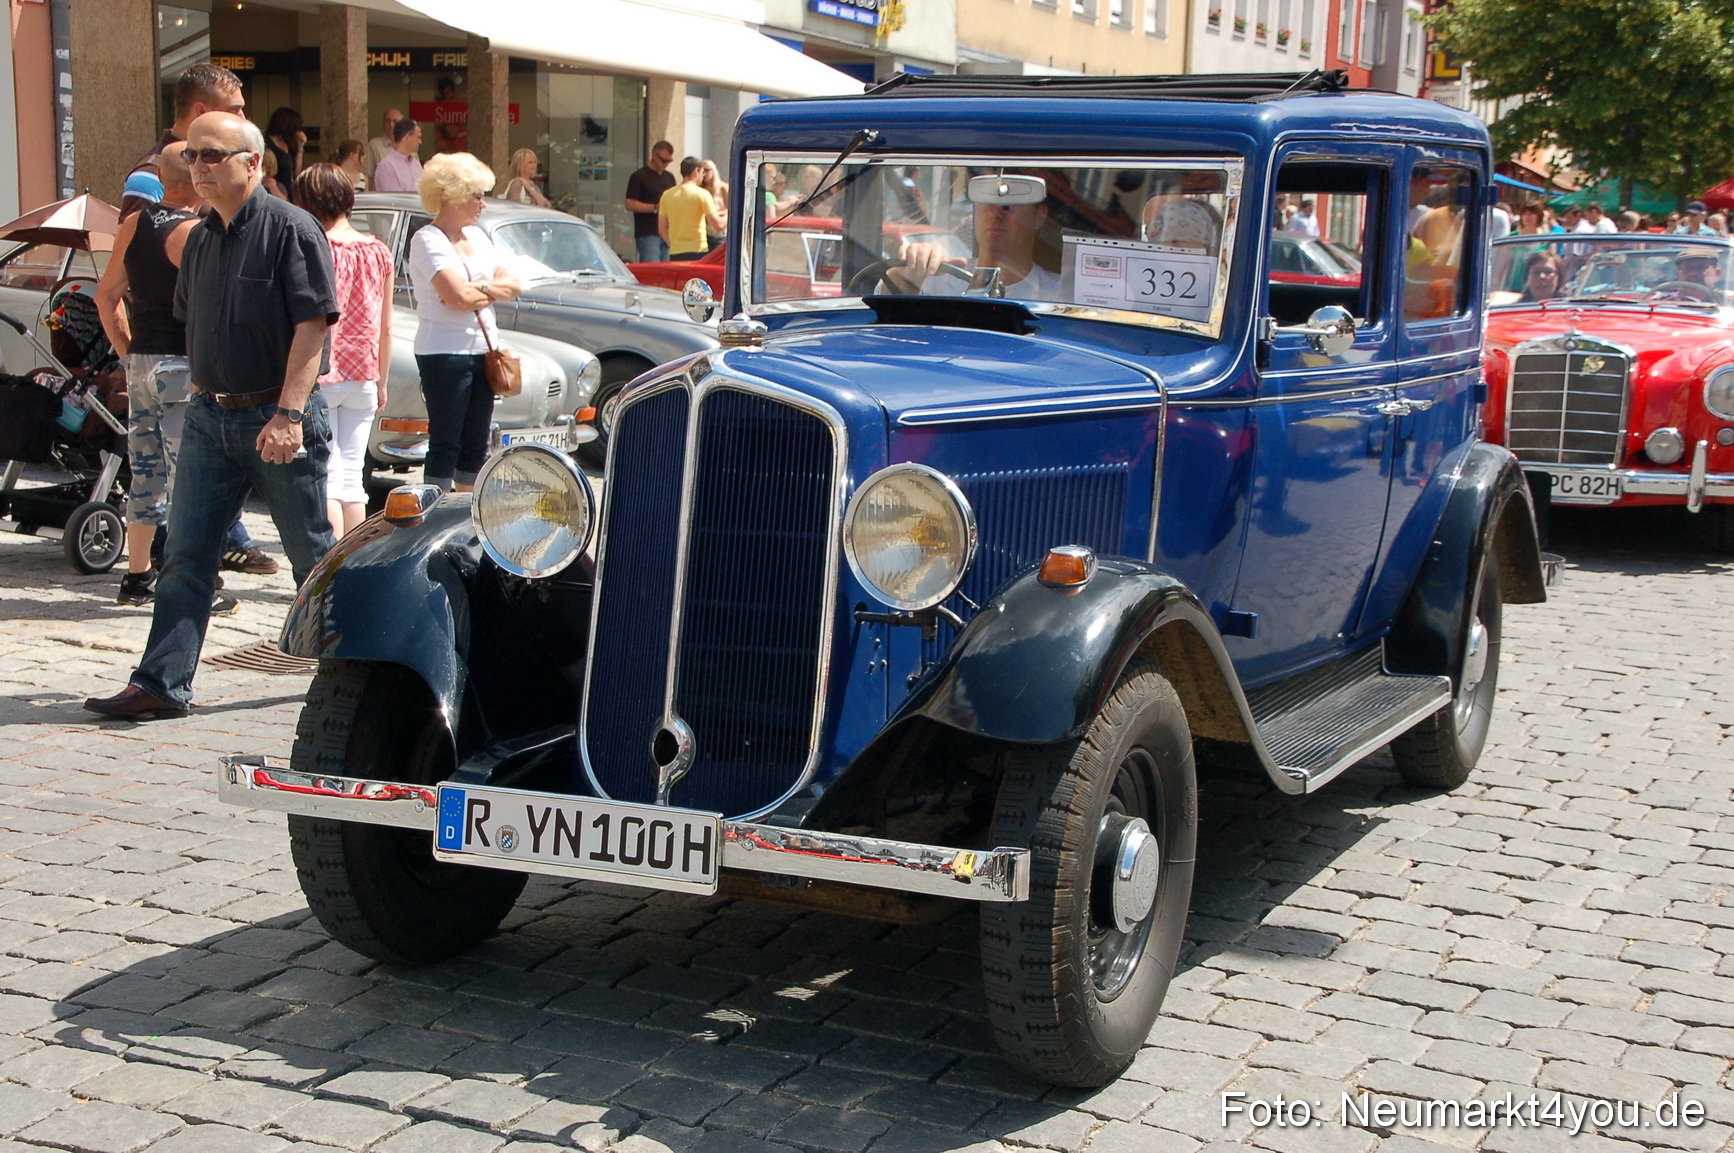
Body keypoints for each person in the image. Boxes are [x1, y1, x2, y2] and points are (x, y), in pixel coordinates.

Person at [84, 112, 339, 721]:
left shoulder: (291, 229)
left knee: (313, 560)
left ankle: (352, 675)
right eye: (191, 156)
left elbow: (312, 326)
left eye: (211, 156)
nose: (197, 167)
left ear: (252, 162)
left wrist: (289, 413)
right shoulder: (197, 239)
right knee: (186, 555)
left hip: (275, 418)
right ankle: (160, 684)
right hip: (207, 417)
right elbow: (185, 322)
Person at [95, 141, 248, 614]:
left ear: (162, 180)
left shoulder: (134, 223)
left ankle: (137, 575)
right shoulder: (194, 231)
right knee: (190, 480)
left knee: (144, 473)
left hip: (142, 362)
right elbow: (212, 307)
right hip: (182, 367)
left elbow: (107, 296)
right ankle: (195, 582)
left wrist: (126, 350)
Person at [407, 152, 522, 492]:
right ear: (452, 195)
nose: (482, 204)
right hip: (444, 352)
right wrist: (485, 291)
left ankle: (469, 516)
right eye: (476, 195)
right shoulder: (427, 239)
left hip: (483, 351)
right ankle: (437, 517)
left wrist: (480, 289)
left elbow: (514, 284)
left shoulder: (478, 238)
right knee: (446, 442)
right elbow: (456, 297)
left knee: (476, 446)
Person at [295, 163, 392, 538]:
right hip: (364, 372)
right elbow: (386, 326)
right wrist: (381, 380)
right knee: (352, 477)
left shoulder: (314, 246)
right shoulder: (378, 251)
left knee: (327, 480)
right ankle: (358, 560)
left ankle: (331, 562)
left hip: (323, 372)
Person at [122, 63, 246, 219]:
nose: (242, 118)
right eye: (233, 109)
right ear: (201, 111)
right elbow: (133, 240)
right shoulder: (149, 175)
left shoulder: (226, 163)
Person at [888, 192, 1061, 300]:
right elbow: (885, 324)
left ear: (1039, 216)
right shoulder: (937, 278)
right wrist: (909, 277)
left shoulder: (1061, 295)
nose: (995, 214)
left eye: (1009, 204)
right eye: (986, 201)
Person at [658, 157, 726, 261]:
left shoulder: (667, 195)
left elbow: (662, 229)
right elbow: (718, 225)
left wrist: (672, 244)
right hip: (698, 251)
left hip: (675, 252)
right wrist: (731, 213)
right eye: (702, 172)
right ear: (696, 171)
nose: (703, 176)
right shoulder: (702, 194)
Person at [625, 140, 676, 262]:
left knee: (667, 272)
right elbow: (629, 204)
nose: (666, 164)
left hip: (667, 232)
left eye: (669, 161)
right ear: (654, 155)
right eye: (663, 160)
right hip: (648, 232)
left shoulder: (669, 178)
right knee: (653, 269)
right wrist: (654, 207)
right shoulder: (639, 176)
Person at [373, 118, 424, 193]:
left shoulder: (417, 165)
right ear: (408, 137)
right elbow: (394, 200)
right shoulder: (387, 166)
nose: (420, 142)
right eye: (418, 137)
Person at [264, 107, 306, 191]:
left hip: (290, 192)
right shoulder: (267, 145)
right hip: (276, 191)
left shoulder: (289, 144)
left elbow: (296, 173)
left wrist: (300, 147)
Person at [364, 107, 404, 184]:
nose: (391, 124)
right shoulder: (374, 145)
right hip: (382, 194)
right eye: (387, 121)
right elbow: (368, 175)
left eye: (395, 121)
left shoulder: (407, 145)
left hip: (405, 194)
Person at [701, 159, 730, 249]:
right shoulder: (700, 189)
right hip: (705, 233)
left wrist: (717, 214)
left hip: (721, 233)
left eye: (707, 170)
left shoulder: (723, 188)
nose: (704, 173)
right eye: (702, 171)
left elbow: (731, 208)